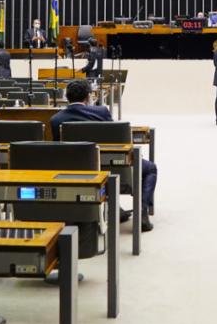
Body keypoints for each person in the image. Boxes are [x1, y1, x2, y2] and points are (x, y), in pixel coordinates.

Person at [50, 80, 157, 232]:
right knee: (150, 168)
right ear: (88, 97)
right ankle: (142, 211)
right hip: (114, 172)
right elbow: (115, 138)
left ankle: (115, 209)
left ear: (67, 97)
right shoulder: (101, 112)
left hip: (76, 174)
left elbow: (58, 150)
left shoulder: (56, 120)